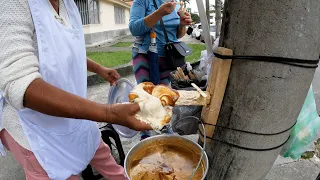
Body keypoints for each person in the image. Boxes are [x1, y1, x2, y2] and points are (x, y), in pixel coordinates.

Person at [0, 0, 151, 179]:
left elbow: (67, 48)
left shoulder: (68, 4)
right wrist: (108, 113)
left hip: (75, 112)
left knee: (99, 151)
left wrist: (98, 69)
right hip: (36, 130)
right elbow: (19, 82)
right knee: (62, 173)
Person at [129, 0, 192, 140]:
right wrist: (159, 13)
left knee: (162, 94)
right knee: (145, 95)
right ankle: (144, 132)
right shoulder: (141, 2)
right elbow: (134, 28)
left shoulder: (173, 3)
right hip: (145, 54)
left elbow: (177, 35)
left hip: (168, 57)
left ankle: (162, 126)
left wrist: (182, 24)